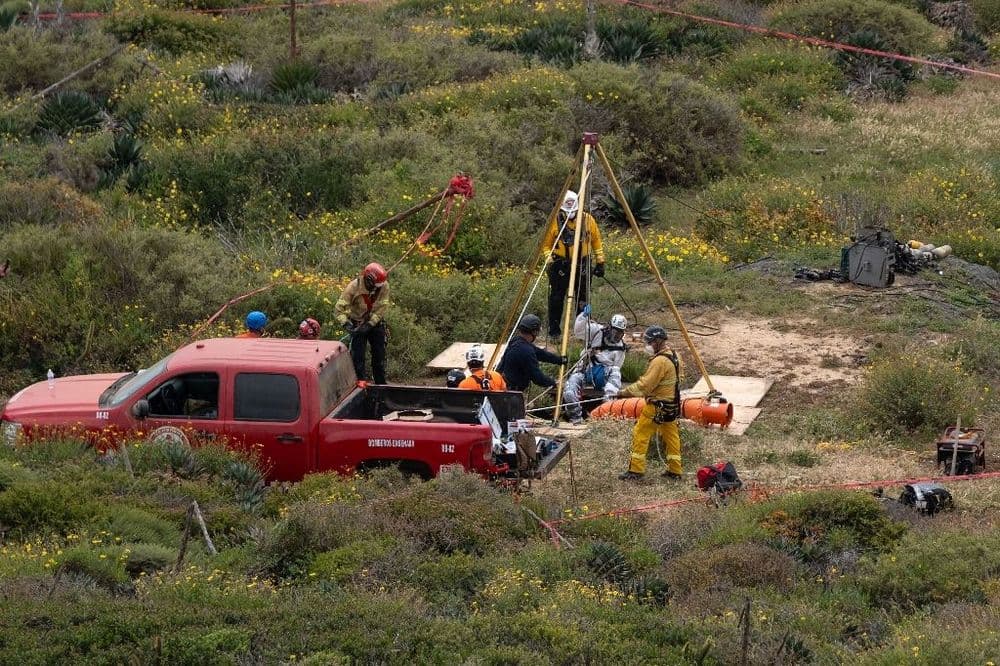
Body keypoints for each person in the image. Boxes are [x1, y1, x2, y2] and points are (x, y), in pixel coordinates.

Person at [617, 325, 683, 482]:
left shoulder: (659, 361)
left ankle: (636, 470)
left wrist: (623, 393)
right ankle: (675, 470)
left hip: (656, 407)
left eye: (649, 342)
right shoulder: (675, 356)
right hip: (671, 406)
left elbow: (645, 385)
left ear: (658, 341)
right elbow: (679, 379)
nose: (647, 345)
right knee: (671, 437)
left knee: (640, 433)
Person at [541, 190, 606, 337]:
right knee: (556, 298)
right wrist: (549, 260)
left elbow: (596, 241)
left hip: (582, 263)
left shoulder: (588, 220)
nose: (571, 213)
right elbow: (545, 245)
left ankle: (581, 331)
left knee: (583, 297)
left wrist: (600, 261)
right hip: (560, 265)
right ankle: (555, 332)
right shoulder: (554, 222)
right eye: (567, 210)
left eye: (574, 210)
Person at [564, 306, 627, 424]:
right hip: (586, 370)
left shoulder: (620, 348)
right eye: (615, 332)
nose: (616, 336)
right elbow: (579, 331)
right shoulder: (596, 331)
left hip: (603, 375)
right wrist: (584, 316)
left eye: (619, 333)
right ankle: (576, 419)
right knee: (569, 391)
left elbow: (617, 367)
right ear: (610, 327)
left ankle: (607, 413)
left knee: (615, 374)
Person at [336, 262, 390, 384]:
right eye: (376, 286)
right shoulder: (353, 288)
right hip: (357, 324)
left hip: (375, 323)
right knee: (358, 357)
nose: (378, 288)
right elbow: (339, 310)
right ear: (368, 280)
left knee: (379, 355)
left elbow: (382, 307)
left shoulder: (384, 285)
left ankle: (381, 383)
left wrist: (370, 324)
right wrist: (347, 325)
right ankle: (360, 383)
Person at [497, 314, 567, 393]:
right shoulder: (526, 351)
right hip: (511, 393)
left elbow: (540, 354)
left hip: (502, 387)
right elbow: (537, 378)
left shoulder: (516, 341)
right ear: (534, 332)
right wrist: (553, 383)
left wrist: (559, 360)